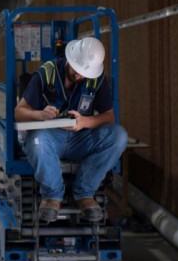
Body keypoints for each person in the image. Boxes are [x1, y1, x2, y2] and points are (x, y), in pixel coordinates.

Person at [14, 37, 127, 222]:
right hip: (50, 137)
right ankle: (52, 197)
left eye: (84, 74)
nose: (79, 77)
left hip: (81, 137)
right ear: (69, 59)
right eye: (76, 71)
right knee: (36, 141)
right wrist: (40, 115)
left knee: (119, 136)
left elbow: (109, 116)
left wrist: (85, 122)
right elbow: (19, 112)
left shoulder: (97, 79)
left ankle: (84, 194)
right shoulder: (46, 73)